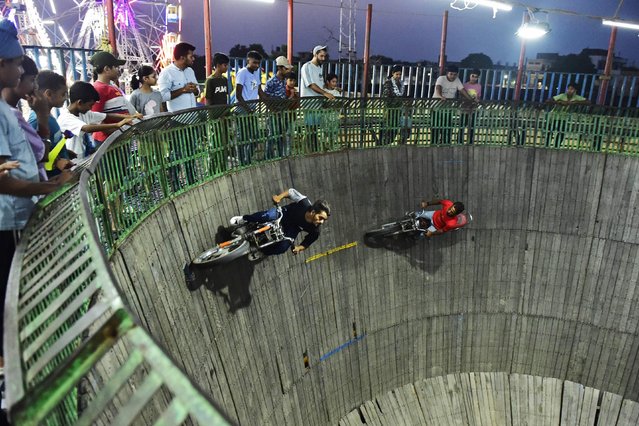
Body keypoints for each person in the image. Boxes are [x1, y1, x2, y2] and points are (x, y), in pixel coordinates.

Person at [0, 18, 72, 383]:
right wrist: (54, 184)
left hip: (20, 217)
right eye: (16, 64)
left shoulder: (8, 113)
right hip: (9, 221)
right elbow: (4, 181)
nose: (20, 72)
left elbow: (24, 160)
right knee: (10, 300)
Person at [229, 188, 330, 257]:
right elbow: (291, 192)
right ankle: (244, 219)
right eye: (320, 217)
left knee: (282, 248)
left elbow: (307, 242)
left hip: (293, 229)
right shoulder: (304, 202)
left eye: (324, 220)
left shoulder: (315, 230)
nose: (321, 222)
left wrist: (298, 248)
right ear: (313, 211)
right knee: (266, 216)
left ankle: (262, 252)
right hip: (284, 214)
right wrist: (279, 197)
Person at [57, 81, 136, 160]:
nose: (91, 108)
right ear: (80, 103)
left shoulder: (84, 113)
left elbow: (106, 116)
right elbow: (86, 128)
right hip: (70, 159)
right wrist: (117, 125)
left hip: (82, 156)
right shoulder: (66, 118)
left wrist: (131, 116)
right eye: (90, 105)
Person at [1, 55, 48, 181]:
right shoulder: (12, 114)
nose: (35, 87)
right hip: (29, 190)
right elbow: (42, 156)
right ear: (16, 80)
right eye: (32, 80)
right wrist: (42, 114)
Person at [28, 70, 73, 178]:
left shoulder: (49, 117)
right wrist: (56, 162)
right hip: (50, 179)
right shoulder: (36, 121)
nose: (66, 98)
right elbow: (35, 153)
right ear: (48, 94)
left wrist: (64, 152)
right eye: (63, 94)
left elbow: (51, 144)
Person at [90, 51, 139, 145]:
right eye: (116, 67)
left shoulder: (111, 86)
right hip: (107, 141)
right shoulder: (99, 89)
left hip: (119, 138)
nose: (118, 70)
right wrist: (118, 133)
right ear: (107, 69)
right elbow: (96, 119)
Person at [234, 50, 266, 165]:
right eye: (254, 63)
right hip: (243, 109)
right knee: (242, 137)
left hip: (251, 109)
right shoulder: (242, 73)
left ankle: (246, 159)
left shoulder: (256, 73)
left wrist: (269, 103)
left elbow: (259, 91)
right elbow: (238, 94)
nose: (257, 65)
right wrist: (248, 109)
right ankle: (242, 161)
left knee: (255, 136)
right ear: (248, 61)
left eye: (258, 63)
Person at [300, 45, 334, 151]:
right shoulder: (307, 66)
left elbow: (320, 84)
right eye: (321, 56)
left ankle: (312, 150)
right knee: (310, 129)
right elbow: (311, 84)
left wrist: (333, 89)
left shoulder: (319, 68)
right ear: (315, 54)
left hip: (317, 103)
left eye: (324, 56)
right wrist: (325, 93)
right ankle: (308, 150)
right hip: (309, 103)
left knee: (314, 129)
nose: (323, 59)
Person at [432, 65, 475, 144]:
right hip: (437, 106)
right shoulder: (441, 79)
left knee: (447, 127)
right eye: (451, 74)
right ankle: (434, 143)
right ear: (447, 73)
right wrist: (440, 96)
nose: (453, 76)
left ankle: (446, 143)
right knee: (436, 127)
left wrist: (471, 99)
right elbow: (438, 88)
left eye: (455, 74)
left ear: (457, 75)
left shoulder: (457, 80)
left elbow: (462, 90)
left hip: (448, 108)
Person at [264, 56, 293, 159]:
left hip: (282, 112)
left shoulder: (284, 81)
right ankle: (268, 157)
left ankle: (280, 156)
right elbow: (265, 97)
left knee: (281, 135)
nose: (287, 70)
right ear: (280, 68)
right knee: (272, 136)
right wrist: (272, 109)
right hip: (273, 112)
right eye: (285, 68)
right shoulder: (271, 81)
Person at [157, 42, 199, 112]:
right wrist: (183, 90)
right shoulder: (167, 72)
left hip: (193, 116)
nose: (193, 59)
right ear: (182, 58)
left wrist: (195, 90)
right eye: (191, 57)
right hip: (177, 119)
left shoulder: (190, 71)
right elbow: (162, 96)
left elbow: (197, 92)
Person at [545, 82, 590, 148]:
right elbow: (548, 101)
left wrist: (577, 102)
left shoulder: (576, 98)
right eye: (568, 89)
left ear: (575, 90)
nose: (569, 91)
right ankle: (547, 145)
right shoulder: (562, 96)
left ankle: (556, 146)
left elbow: (588, 102)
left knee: (561, 133)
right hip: (554, 116)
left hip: (564, 118)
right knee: (550, 132)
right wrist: (559, 102)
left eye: (571, 89)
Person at [380, 65, 410, 145]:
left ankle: (402, 139)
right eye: (397, 74)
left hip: (399, 110)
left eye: (400, 74)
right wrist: (396, 101)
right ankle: (385, 143)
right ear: (392, 74)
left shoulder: (401, 84)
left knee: (401, 125)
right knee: (390, 128)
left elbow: (403, 96)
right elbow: (386, 98)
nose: (398, 76)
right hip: (390, 111)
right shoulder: (388, 83)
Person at [459, 69, 482, 144]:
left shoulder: (479, 86)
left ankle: (470, 141)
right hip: (464, 108)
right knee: (462, 125)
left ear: (478, 78)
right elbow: (461, 95)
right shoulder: (464, 85)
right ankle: (459, 141)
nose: (474, 78)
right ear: (469, 76)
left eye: (476, 77)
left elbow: (478, 96)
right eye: (472, 76)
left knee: (472, 126)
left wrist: (477, 99)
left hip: (473, 108)